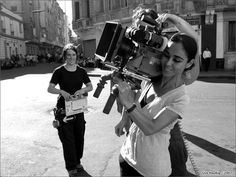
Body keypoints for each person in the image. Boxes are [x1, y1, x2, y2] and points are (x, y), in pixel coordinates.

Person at [114, 7, 199, 177]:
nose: (168, 64)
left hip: (166, 142)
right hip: (132, 153)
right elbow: (134, 93)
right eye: (167, 56)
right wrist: (124, 117)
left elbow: (194, 41)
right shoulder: (152, 68)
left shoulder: (180, 85)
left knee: (178, 171)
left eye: (177, 60)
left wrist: (171, 18)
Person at [47, 43, 93, 177]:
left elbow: (90, 86)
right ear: (65, 57)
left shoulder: (82, 71)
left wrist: (82, 90)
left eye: (74, 55)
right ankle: (71, 167)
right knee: (68, 139)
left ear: (77, 56)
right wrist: (62, 92)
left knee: (79, 136)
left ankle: (78, 161)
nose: (72, 57)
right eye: (69, 55)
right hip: (63, 109)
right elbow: (50, 88)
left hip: (78, 108)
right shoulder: (59, 71)